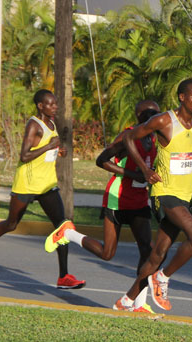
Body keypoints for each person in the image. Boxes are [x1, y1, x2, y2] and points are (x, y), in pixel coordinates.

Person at [110, 79, 192, 312]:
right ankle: (163, 277)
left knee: (157, 254)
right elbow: (129, 138)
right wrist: (145, 169)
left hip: (184, 195)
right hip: (164, 193)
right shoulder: (163, 121)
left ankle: (126, 300)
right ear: (181, 97)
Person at [45, 100, 159, 312]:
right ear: (138, 115)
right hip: (118, 198)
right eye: (149, 114)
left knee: (148, 251)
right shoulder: (127, 136)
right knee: (108, 253)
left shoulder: (154, 138)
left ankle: (140, 303)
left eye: (157, 113)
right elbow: (101, 160)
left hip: (139, 200)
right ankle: (68, 234)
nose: (154, 117)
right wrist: (134, 174)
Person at [0, 89, 84, 289]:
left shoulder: (51, 123)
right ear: (41, 106)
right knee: (11, 224)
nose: (55, 107)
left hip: (47, 184)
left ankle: (63, 276)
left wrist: (57, 150)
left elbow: (48, 147)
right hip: (27, 183)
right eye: (51, 104)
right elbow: (24, 156)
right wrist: (49, 146)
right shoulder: (34, 125)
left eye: (56, 104)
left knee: (62, 227)